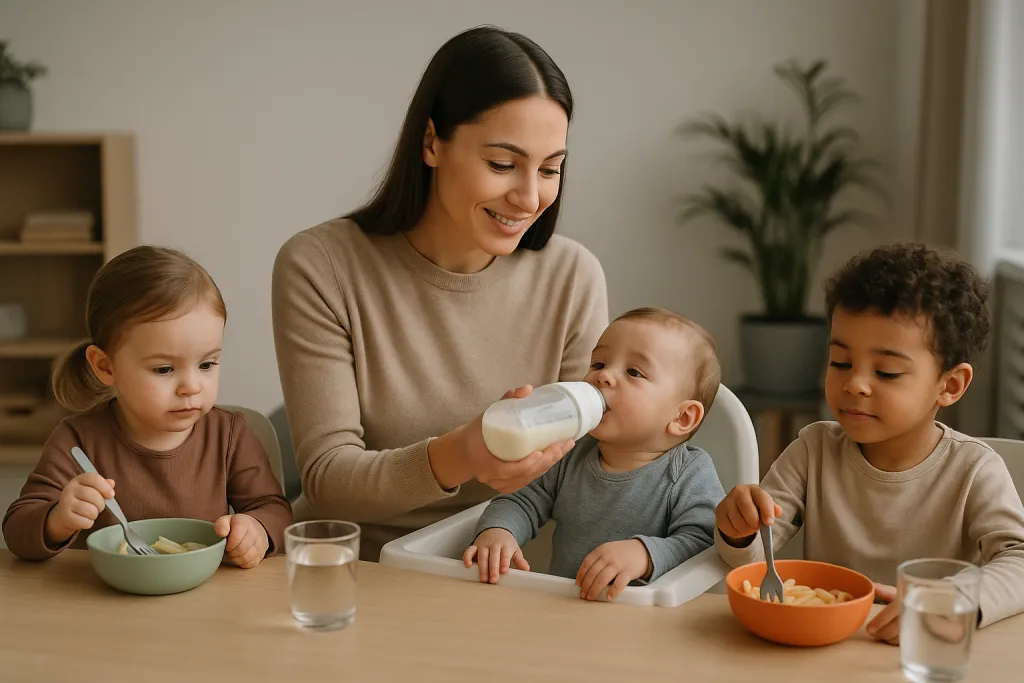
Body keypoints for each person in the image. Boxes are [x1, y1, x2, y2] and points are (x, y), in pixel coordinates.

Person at [272, 26, 608, 561]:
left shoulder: (572, 276)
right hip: (356, 571)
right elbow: (329, 477)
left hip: (503, 572)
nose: (528, 197)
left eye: (550, 169)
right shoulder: (322, 266)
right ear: (432, 142)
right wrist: (463, 453)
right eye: (502, 164)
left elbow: (581, 468)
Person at [714, 242, 1024, 642]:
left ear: (949, 385)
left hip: (922, 649)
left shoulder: (974, 470)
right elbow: (756, 559)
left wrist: (951, 598)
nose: (855, 383)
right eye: (840, 362)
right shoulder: (813, 449)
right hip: (823, 650)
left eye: (888, 372)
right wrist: (738, 530)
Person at [3, 246, 292, 567]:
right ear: (106, 367)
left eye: (207, 364)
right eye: (164, 369)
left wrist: (257, 530)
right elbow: (17, 529)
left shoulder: (230, 435)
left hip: (205, 603)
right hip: (102, 606)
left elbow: (274, 509)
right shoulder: (77, 441)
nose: (192, 386)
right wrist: (57, 519)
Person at [465, 308, 725, 601]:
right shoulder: (569, 451)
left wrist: (646, 554)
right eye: (599, 363)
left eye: (633, 372)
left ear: (682, 418)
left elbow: (705, 542)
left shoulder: (690, 471)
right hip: (563, 607)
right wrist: (500, 531)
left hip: (648, 621)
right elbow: (521, 500)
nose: (603, 377)